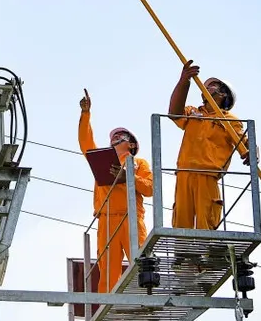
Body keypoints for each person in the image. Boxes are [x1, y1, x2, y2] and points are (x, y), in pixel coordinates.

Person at [78, 89, 153, 293]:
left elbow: (150, 188)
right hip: (107, 220)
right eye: (113, 136)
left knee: (142, 263)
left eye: (121, 136)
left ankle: (147, 300)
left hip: (131, 218)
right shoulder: (102, 161)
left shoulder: (139, 163)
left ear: (132, 144)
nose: (115, 137)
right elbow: (86, 144)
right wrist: (85, 114)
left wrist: (129, 177)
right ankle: (108, 304)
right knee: (108, 271)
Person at [168, 60, 248, 230]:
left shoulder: (230, 120)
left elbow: (245, 144)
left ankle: (205, 247)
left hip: (207, 175)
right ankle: (183, 248)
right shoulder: (193, 112)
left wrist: (251, 153)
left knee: (205, 223)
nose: (206, 88)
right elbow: (174, 113)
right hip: (184, 173)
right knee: (181, 225)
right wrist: (184, 81)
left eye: (212, 85)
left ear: (223, 94)